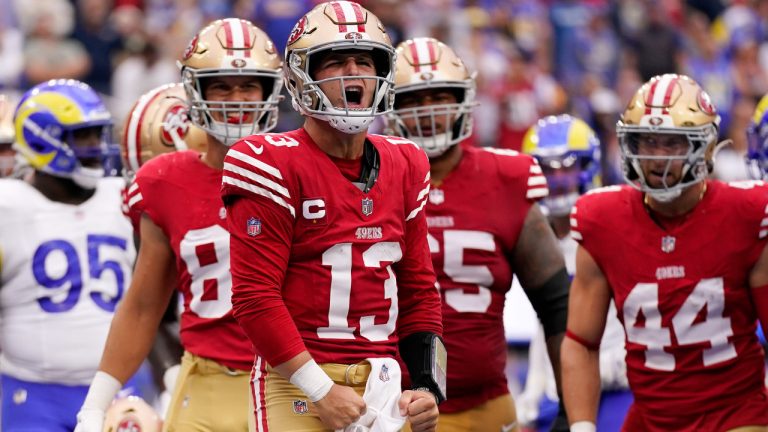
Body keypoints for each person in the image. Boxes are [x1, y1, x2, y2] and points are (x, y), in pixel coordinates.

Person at [220, 3, 443, 432]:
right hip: (298, 382)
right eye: (335, 62)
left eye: (364, 61)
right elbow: (254, 297)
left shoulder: (408, 162)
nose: (353, 73)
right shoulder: (267, 161)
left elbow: (418, 290)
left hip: (384, 382)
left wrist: (429, 387)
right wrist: (320, 389)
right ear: (302, 76)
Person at [75, 18, 283, 432]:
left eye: (248, 85)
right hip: (206, 379)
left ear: (270, 90)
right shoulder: (166, 181)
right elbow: (143, 306)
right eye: (221, 86)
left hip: (291, 382)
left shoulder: (304, 170)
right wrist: (94, 407)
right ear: (194, 93)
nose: (236, 99)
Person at [562, 73, 768, 432]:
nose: (656, 157)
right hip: (650, 417)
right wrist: (582, 426)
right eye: (647, 140)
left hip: (734, 414)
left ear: (704, 147)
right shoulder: (602, 220)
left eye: (672, 143)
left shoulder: (747, 214)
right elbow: (581, 342)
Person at [387, 37, 570, 432]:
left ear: (464, 101)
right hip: (388, 404)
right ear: (390, 105)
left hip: (485, 405)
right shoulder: (365, 178)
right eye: (414, 99)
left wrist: (571, 408)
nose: (428, 112)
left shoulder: (504, 179)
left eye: (440, 97)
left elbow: (558, 305)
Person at [0, 79, 136, 431]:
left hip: (119, 392)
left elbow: (150, 303)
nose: (95, 147)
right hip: (30, 394)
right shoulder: (9, 207)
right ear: (42, 138)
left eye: (97, 134)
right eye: (83, 136)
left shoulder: (123, 197)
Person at [517, 115, 632, 431]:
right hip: (560, 390)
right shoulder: (537, 240)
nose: (557, 179)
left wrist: (601, 369)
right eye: (547, 169)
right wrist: (531, 401)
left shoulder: (612, 229)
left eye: (567, 166)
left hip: (617, 385)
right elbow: (546, 329)